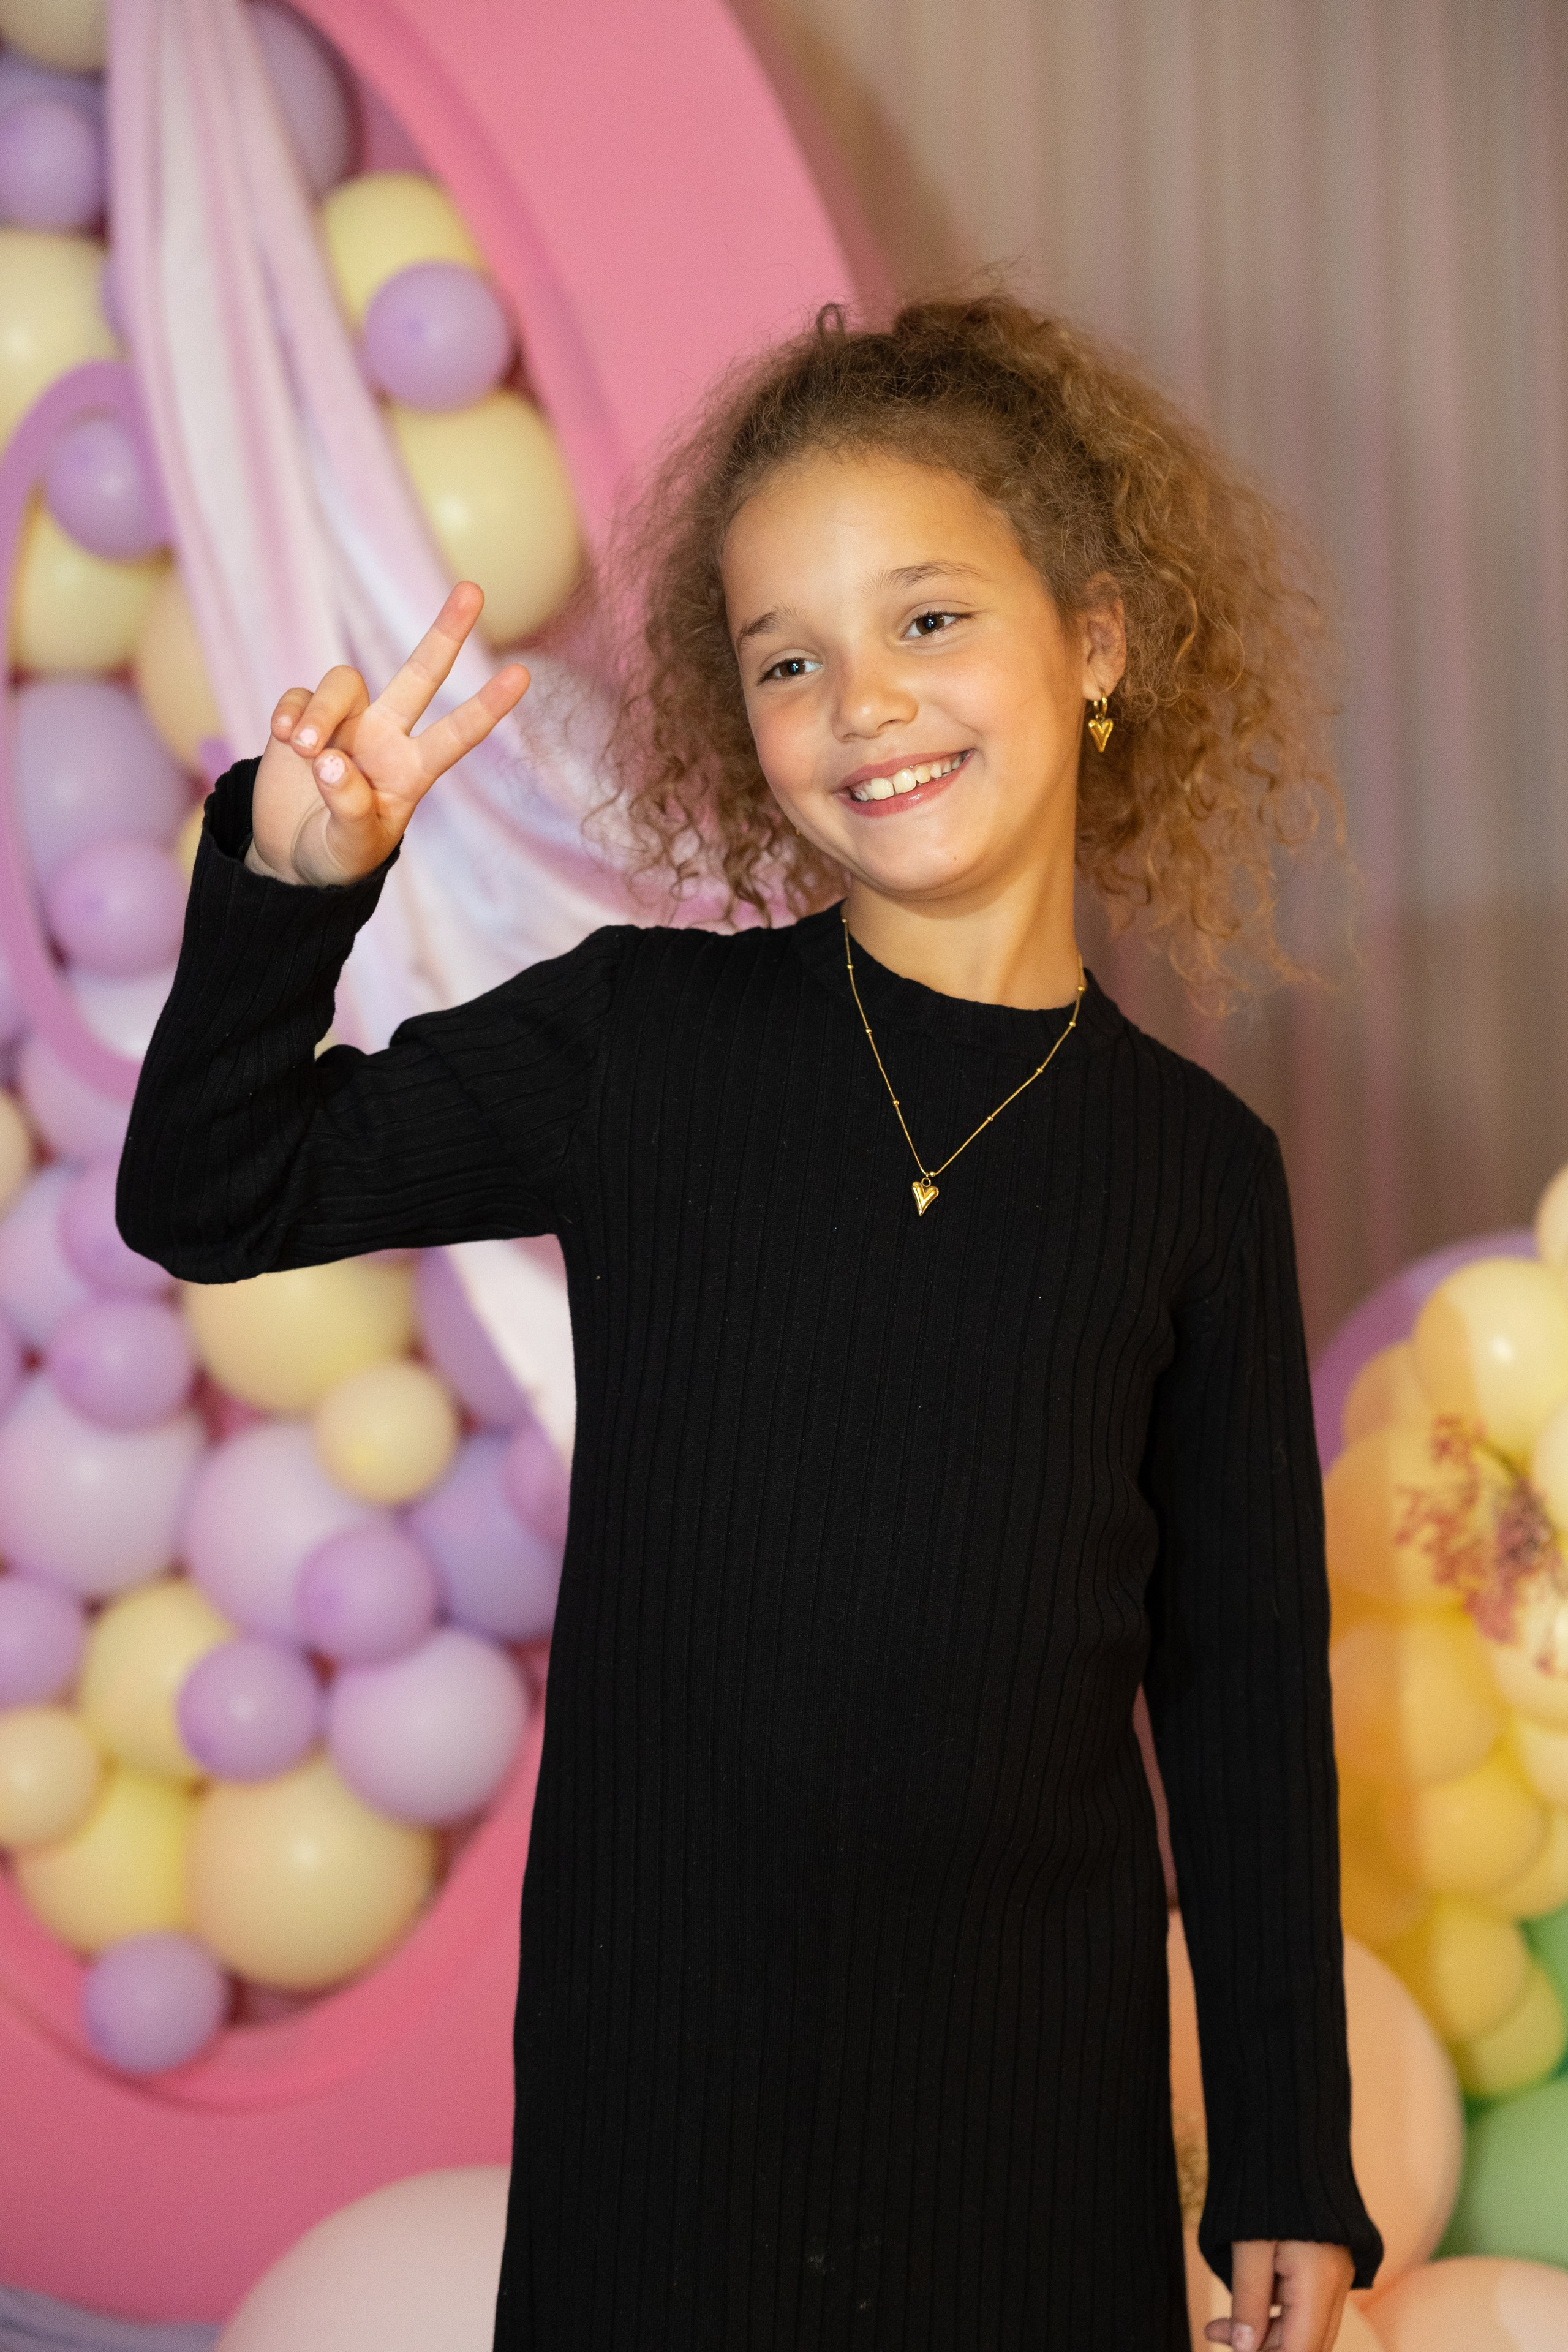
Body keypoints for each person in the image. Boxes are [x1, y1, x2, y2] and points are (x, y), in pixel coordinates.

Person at [119, 297, 1382, 2350]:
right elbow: (210, 1191)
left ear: (1101, 643)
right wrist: (290, 888)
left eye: (928, 622)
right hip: (664, 2106)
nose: (861, 701)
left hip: (1029, 2126)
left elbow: (1243, 1707)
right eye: (787, 658)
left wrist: (1284, 2154)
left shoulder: (1197, 1175)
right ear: (739, 716)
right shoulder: (642, 1046)